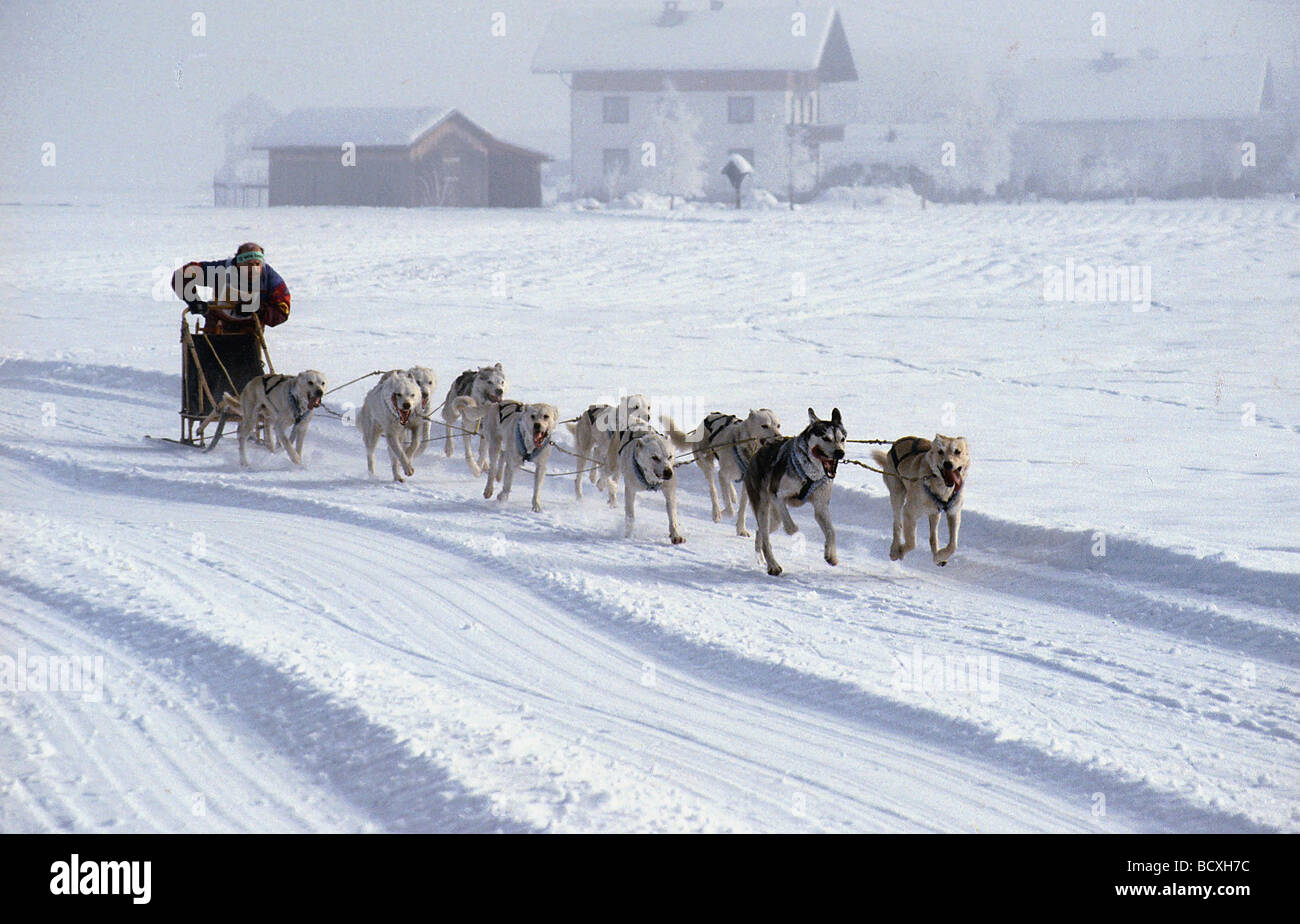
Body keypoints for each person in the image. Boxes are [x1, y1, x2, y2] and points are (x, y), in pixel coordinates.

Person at [172, 241, 291, 333]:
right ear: (238, 263)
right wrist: (194, 301)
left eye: (257, 264)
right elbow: (181, 275)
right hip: (217, 329)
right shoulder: (220, 270)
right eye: (249, 264)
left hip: (250, 333)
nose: (253, 269)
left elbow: (282, 311)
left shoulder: (271, 279)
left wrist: (258, 309)